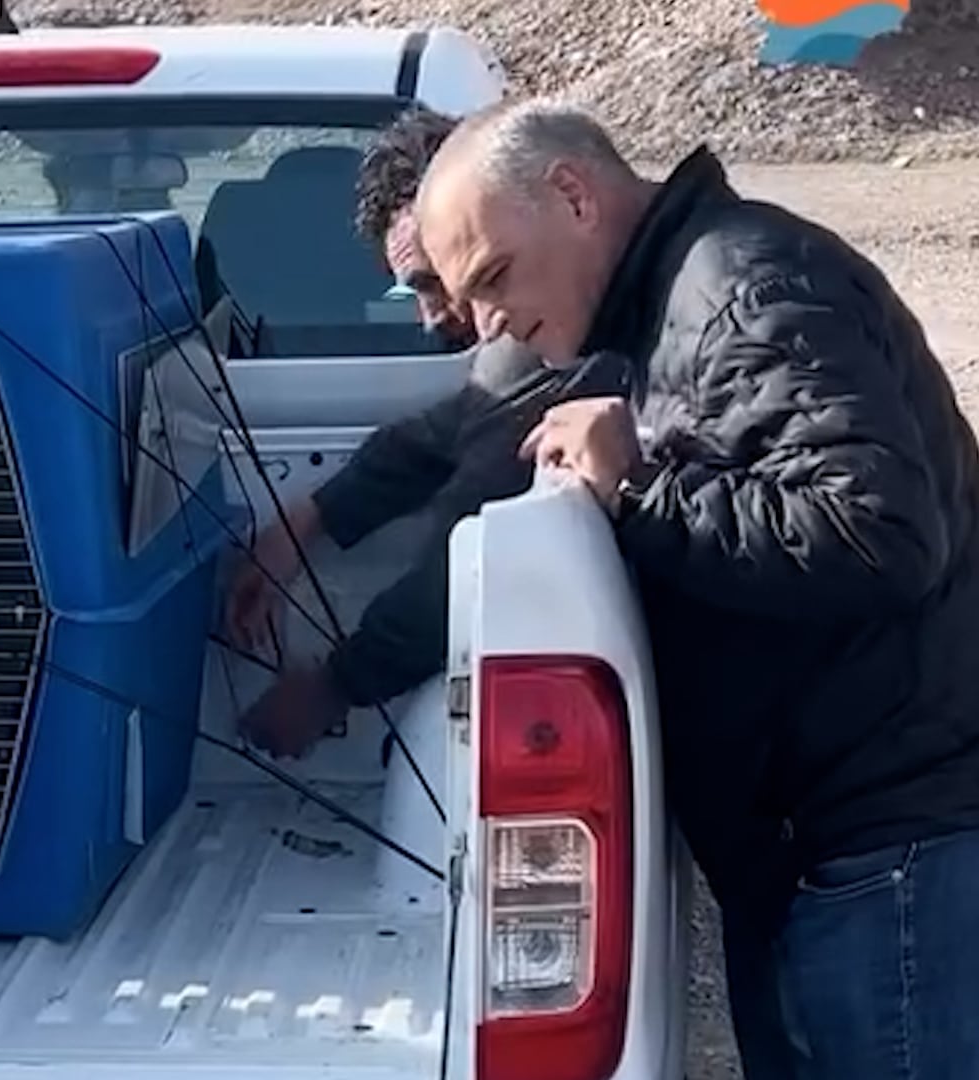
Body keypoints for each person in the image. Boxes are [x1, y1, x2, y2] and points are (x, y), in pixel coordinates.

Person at [416, 98, 979, 1079]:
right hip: (822, 855)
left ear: (572, 194)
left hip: (889, 857)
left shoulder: (741, 287)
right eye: (469, 301)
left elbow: (875, 532)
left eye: (496, 276)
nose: (488, 320)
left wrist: (635, 488)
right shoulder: (669, 313)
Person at [226, 104, 627, 759]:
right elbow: (448, 426)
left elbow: (461, 568)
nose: (431, 318)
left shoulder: (561, 337)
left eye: (434, 282)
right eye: (408, 291)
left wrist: (331, 687)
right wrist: (304, 521)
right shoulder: (518, 340)